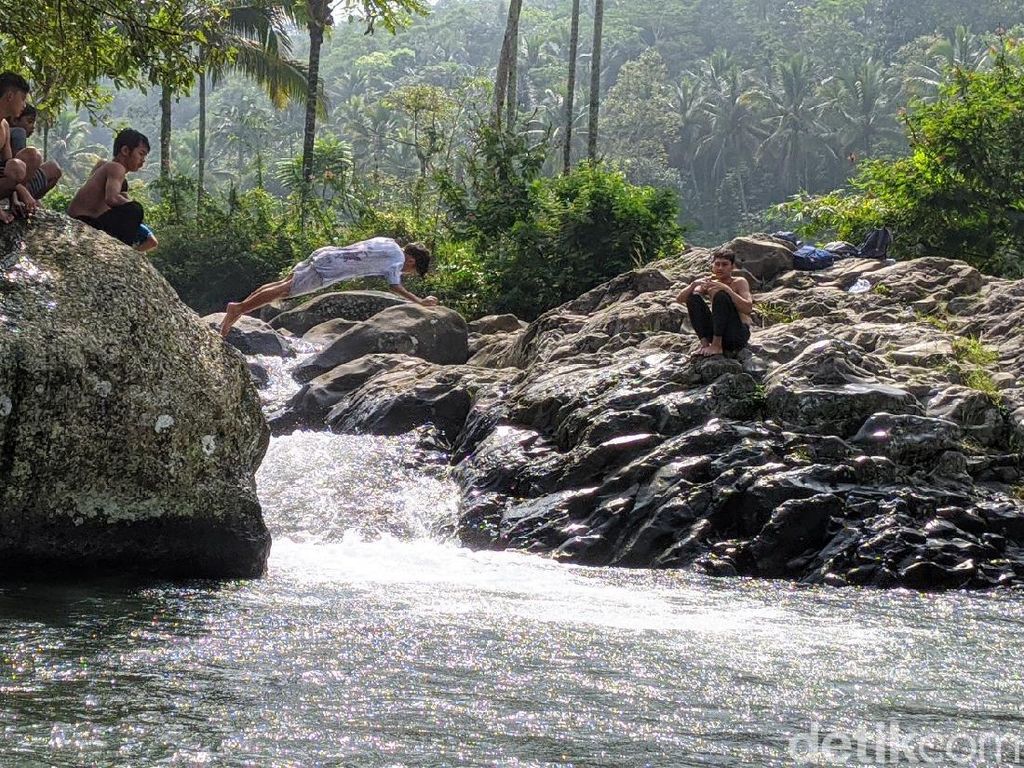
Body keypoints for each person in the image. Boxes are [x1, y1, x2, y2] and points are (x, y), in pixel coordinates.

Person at [219, 237, 438, 337]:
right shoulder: (397, 259)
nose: (406, 273)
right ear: (412, 262)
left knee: (282, 284)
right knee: (285, 291)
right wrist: (420, 302)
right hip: (329, 269)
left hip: (326, 254)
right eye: (412, 271)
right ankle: (238, 309)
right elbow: (394, 286)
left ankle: (239, 309)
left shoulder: (389, 243)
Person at [68, 128, 150, 247]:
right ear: (125, 150)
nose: (143, 160)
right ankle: (124, 248)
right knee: (135, 209)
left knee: (129, 204)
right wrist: (132, 205)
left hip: (79, 219)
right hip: (84, 220)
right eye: (141, 154)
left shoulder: (104, 166)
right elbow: (112, 199)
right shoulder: (117, 168)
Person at [677, 249, 753, 356]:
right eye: (717, 264)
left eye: (725, 264)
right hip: (716, 331)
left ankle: (717, 346)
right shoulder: (710, 282)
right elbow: (680, 299)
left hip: (736, 334)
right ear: (712, 266)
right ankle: (705, 345)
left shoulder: (739, 282)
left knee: (721, 296)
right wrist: (693, 285)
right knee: (692, 297)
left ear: (732, 266)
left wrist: (727, 290)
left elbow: (748, 308)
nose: (720, 268)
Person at [0, 71, 35, 223]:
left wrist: (14, 199)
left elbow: (7, 166)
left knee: (17, 166)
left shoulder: (5, 126)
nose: (24, 105)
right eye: (22, 99)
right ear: (10, 96)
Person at [9, 104, 62, 200]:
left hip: (15, 184)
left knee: (53, 167)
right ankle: (24, 198)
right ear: (15, 120)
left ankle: (32, 200)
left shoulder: (9, 131)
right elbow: (15, 168)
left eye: (33, 123)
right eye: (29, 121)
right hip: (12, 187)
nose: (33, 127)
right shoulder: (18, 132)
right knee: (34, 156)